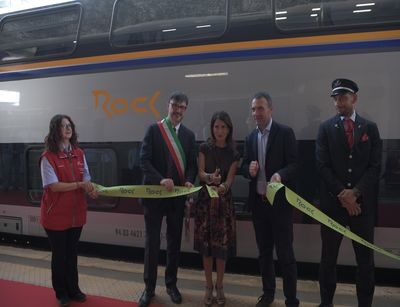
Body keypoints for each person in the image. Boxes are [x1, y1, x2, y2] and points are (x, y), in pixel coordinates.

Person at [316, 79, 382, 307]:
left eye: (343, 98)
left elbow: (375, 166)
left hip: (361, 207)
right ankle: (326, 303)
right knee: (328, 259)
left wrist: (355, 193)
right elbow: (322, 166)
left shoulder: (369, 128)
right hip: (334, 206)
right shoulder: (325, 128)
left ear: (354, 98)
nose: (338, 103)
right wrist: (343, 195)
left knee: (365, 261)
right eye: (335, 98)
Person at [139, 91, 197, 307]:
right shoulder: (154, 130)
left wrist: (190, 181)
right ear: (168, 106)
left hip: (176, 199)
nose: (178, 110)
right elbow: (143, 161)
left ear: (186, 110)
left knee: (174, 243)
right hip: (154, 196)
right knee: (151, 243)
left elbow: (191, 164)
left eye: (182, 107)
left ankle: (171, 285)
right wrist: (161, 179)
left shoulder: (189, 136)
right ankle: (149, 289)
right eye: (175, 106)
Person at [242, 92, 299, 307]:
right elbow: (244, 167)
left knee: (286, 254)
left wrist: (281, 175)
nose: (256, 113)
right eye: (254, 109)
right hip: (259, 205)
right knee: (264, 253)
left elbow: (295, 164)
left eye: (260, 108)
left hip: (280, 206)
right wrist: (248, 169)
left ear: (270, 109)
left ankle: (291, 298)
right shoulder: (250, 138)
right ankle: (268, 294)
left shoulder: (285, 133)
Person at [39, 114, 98, 307]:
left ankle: (74, 289)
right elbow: (53, 186)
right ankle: (61, 293)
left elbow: (86, 178)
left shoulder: (79, 153)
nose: (68, 128)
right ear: (55, 130)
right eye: (63, 126)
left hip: (76, 214)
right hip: (55, 215)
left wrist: (90, 189)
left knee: (72, 254)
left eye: (69, 125)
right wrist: (79, 184)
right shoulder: (48, 157)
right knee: (60, 255)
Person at [194, 111, 240, 306]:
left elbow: (229, 180)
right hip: (205, 203)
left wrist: (222, 186)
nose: (219, 130)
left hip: (223, 204)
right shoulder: (204, 147)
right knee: (206, 249)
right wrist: (209, 178)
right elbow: (201, 173)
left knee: (221, 248)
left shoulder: (234, 153)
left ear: (228, 129)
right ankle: (208, 286)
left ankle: (220, 285)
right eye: (216, 126)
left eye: (223, 127)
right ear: (212, 128)